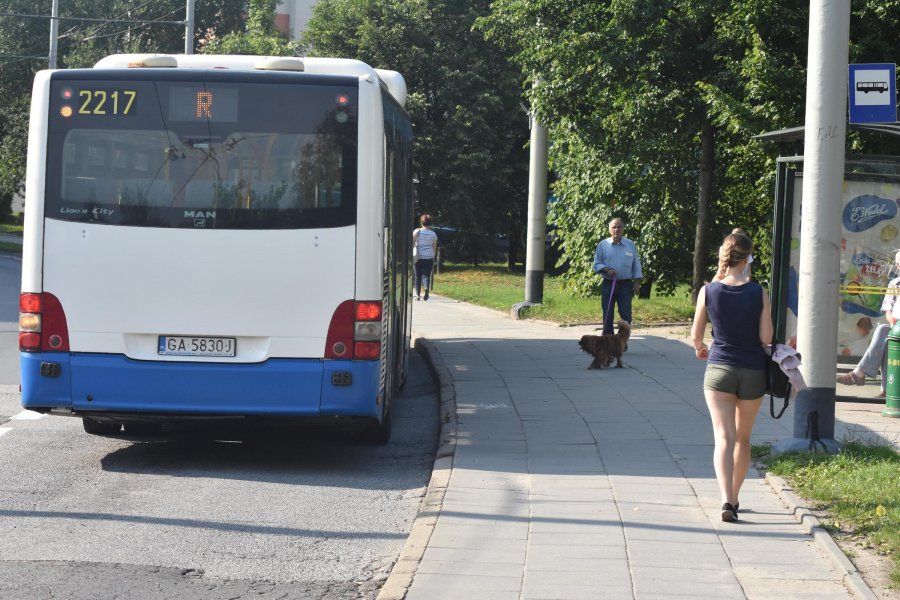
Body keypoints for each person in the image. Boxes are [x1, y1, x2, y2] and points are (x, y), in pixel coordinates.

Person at [691, 231, 773, 522]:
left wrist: (702, 349)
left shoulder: (708, 291)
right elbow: (766, 337)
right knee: (743, 438)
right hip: (752, 371)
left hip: (719, 371)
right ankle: (736, 498)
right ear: (749, 258)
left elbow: (696, 337)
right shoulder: (758, 292)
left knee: (723, 437)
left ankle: (726, 499)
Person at [836, 250, 900, 397]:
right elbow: (888, 310)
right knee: (885, 334)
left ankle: (861, 374)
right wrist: (892, 323)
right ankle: (886, 389)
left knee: (884, 334)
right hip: (896, 326)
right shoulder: (894, 283)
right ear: (897, 266)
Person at [592, 218, 643, 334]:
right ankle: (608, 339)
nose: (616, 229)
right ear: (609, 229)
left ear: (623, 229)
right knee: (608, 313)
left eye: (619, 227)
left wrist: (637, 282)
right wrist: (607, 269)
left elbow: (636, 264)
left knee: (626, 314)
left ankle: (622, 340)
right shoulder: (603, 245)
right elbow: (596, 264)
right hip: (608, 284)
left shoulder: (630, 245)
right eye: (614, 227)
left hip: (625, 285)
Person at [413, 214, 438, 301]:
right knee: (426, 275)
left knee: (417, 276)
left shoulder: (417, 231)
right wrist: (433, 256)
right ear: (430, 223)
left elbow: (412, 242)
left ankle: (417, 295)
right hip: (429, 257)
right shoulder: (433, 234)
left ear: (421, 222)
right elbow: (434, 247)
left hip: (418, 256)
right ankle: (426, 287)